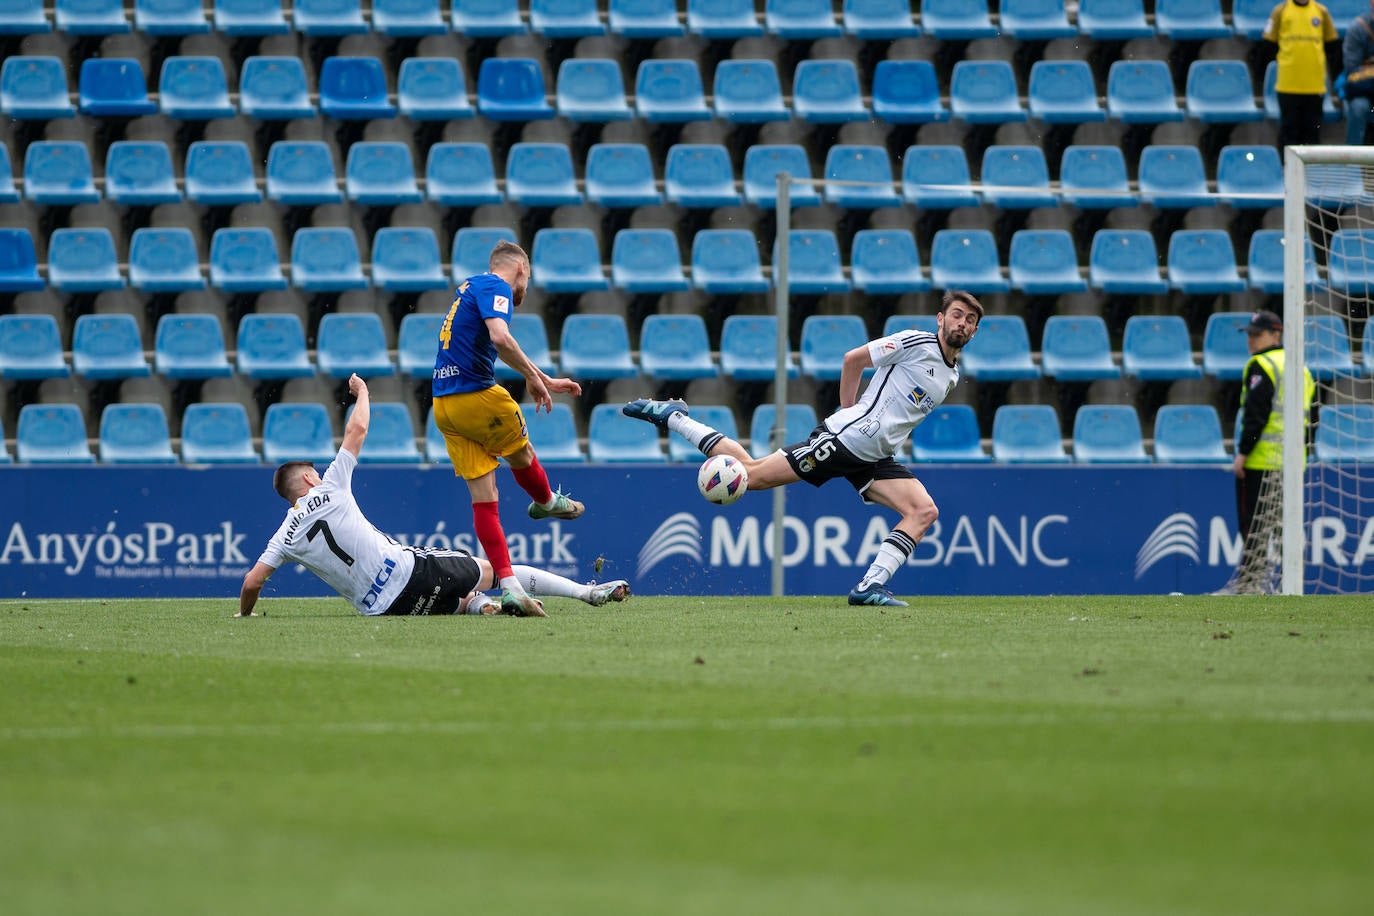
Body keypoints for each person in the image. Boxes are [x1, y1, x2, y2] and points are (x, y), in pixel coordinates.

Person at [623, 290, 984, 608]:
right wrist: (848, 412)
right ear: (940, 318)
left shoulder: (951, 375)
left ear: (975, 330)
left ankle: (870, 585)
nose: (962, 324)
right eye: (956, 315)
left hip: (876, 456)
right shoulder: (914, 343)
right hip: (845, 441)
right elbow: (853, 360)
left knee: (923, 510)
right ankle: (674, 418)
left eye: (970, 320)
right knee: (751, 477)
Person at [238, 373, 629, 618]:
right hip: (407, 573)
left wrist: (246, 615)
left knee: (459, 599)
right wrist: (362, 393)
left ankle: (482, 606)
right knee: (498, 571)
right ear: (308, 479)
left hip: (383, 609)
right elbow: (356, 432)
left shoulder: (284, 535)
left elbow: (252, 583)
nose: (320, 473)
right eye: (315, 472)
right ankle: (586, 593)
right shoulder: (331, 487)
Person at [431, 240, 587, 617]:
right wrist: (540, 378)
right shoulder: (497, 286)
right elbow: (500, 336)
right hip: (476, 396)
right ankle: (547, 500)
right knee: (523, 453)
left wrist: (537, 376)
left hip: (443, 406)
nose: (525, 289)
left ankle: (511, 588)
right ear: (520, 269)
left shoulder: (471, 287)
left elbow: (492, 343)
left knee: (485, 500)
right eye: (528, 279)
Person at [1228, 310, 1318, 593]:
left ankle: (1250, 583)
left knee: (1253, 526)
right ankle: (1291, 584)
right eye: (1250, 335)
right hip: (1290, 463)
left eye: (1257, 334)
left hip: (1260, 462)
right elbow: (1312, 418)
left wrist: (1243, 453)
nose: (1251, 340)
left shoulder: (1261, 365)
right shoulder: (1300, 368)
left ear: (1276, 334)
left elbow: (1256, 416)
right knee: (1285, 526)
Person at [1263, 0, 1341, 154]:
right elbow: (1268, 44)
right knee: (1288, 132)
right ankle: (1286, 173)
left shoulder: (1321, 11)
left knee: (1312, 134)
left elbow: (1332, 46)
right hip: (1288, 85)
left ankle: (1309, 176)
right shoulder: (1280, 11)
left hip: (1314, 85)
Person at [1342, 3, 1374, 144]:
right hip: (1365, 91)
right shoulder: (1358, 28)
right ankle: (1353, 161)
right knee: (1358, 106)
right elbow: (1352, 71)